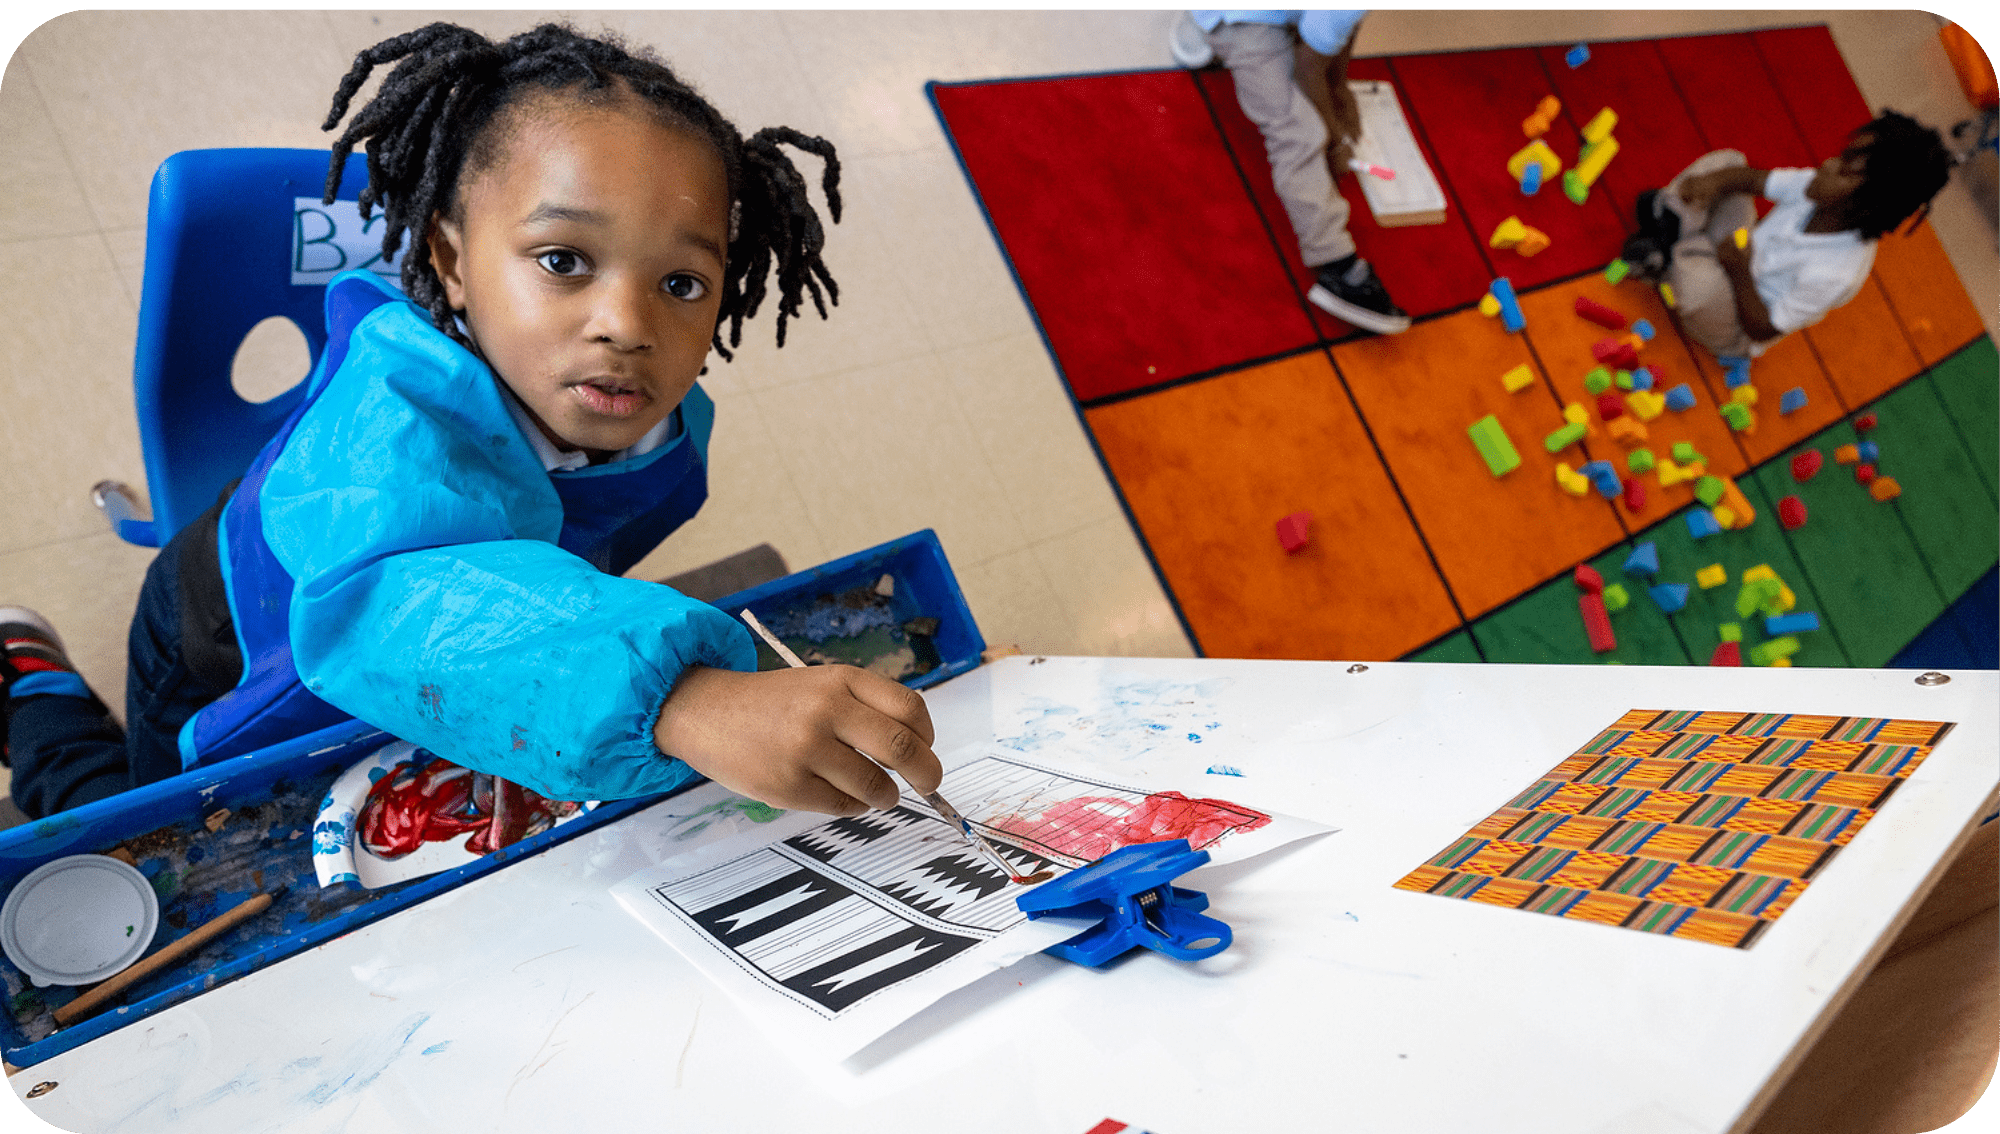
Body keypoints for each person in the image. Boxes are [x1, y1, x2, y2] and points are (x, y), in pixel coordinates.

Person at [1, 23, 942, 821]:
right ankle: (31, 679)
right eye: (566, 260)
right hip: (234, 644)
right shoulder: (388, 411)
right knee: (124, 841)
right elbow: (392, 596)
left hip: (454, 662)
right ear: (450, 263)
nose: (629, 324)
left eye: (682, 283)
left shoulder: (658, 418)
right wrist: (681, 697)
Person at [1625, 110, 1954, 361]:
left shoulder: (1837, 272)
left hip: (1737, 316)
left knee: (1701, 294)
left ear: (1869, 205)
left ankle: (1670, 243)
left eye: (1845, 170)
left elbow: (1762, 328)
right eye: (1843, 156)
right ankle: (1676, 243)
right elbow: (1752, 180)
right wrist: (1715, 183)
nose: (1828, 164)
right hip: (1736, 252)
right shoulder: (1816, 188)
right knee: (1728, 163)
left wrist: (1738, 270)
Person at [1169, 8, 1409, 335]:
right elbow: (1309, 72)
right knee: (1299, 134)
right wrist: (1335, 142)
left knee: (1319, 58)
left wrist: (1338, 89)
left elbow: (1345, 25)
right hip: (1242, 19)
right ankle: (1337, 264)